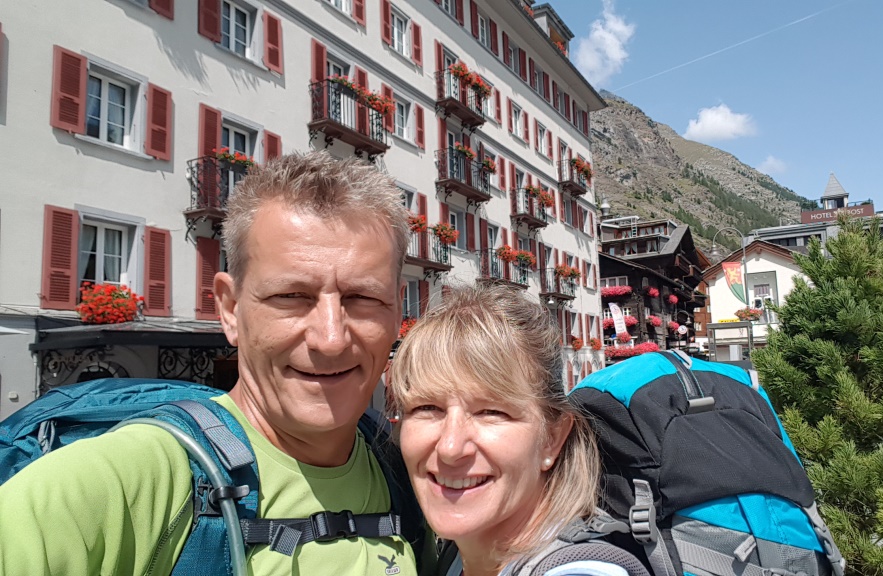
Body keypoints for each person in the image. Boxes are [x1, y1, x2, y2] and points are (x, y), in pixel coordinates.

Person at [0, 152, 422, 575]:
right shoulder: (118, 479)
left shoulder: (412, 480)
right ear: (230, 309)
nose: (330, 339)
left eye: (363, 298)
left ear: (396, 311)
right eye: (291, 297)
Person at [388, 285, 644, 576]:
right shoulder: (459, 556)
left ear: (552, 438)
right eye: (427, 408)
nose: (450, 447)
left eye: (491, 412)